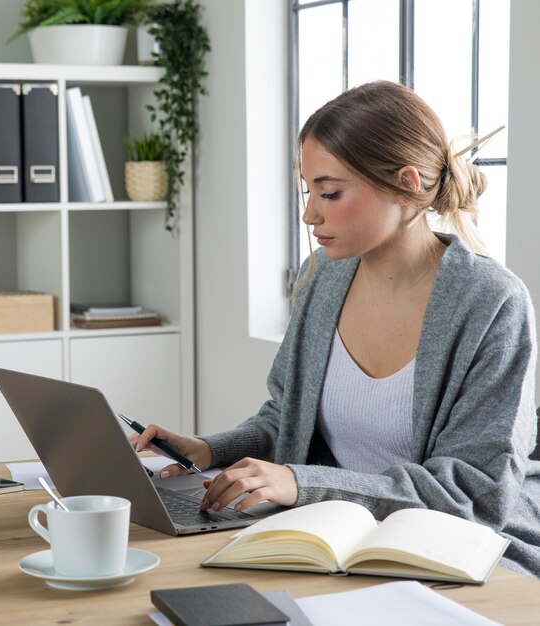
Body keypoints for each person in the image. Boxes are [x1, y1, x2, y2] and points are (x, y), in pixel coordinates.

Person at [131, 81, 540, 579]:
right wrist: (212, 449)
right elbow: (288, 418)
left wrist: (300, 483)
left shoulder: (492, 302)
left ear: (408, 183)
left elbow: (475, 493)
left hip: (459, 550)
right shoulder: (324, 277)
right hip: (334, 536)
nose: (310, 214)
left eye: (330, 192)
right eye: (309, 191)